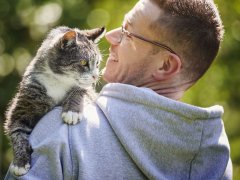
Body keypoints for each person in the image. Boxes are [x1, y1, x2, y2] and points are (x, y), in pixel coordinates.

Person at [5, 0, 232, 179]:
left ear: (165, 65)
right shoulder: (217, 159)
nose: (111, 37)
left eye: (127, 33)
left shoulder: (61, 134)